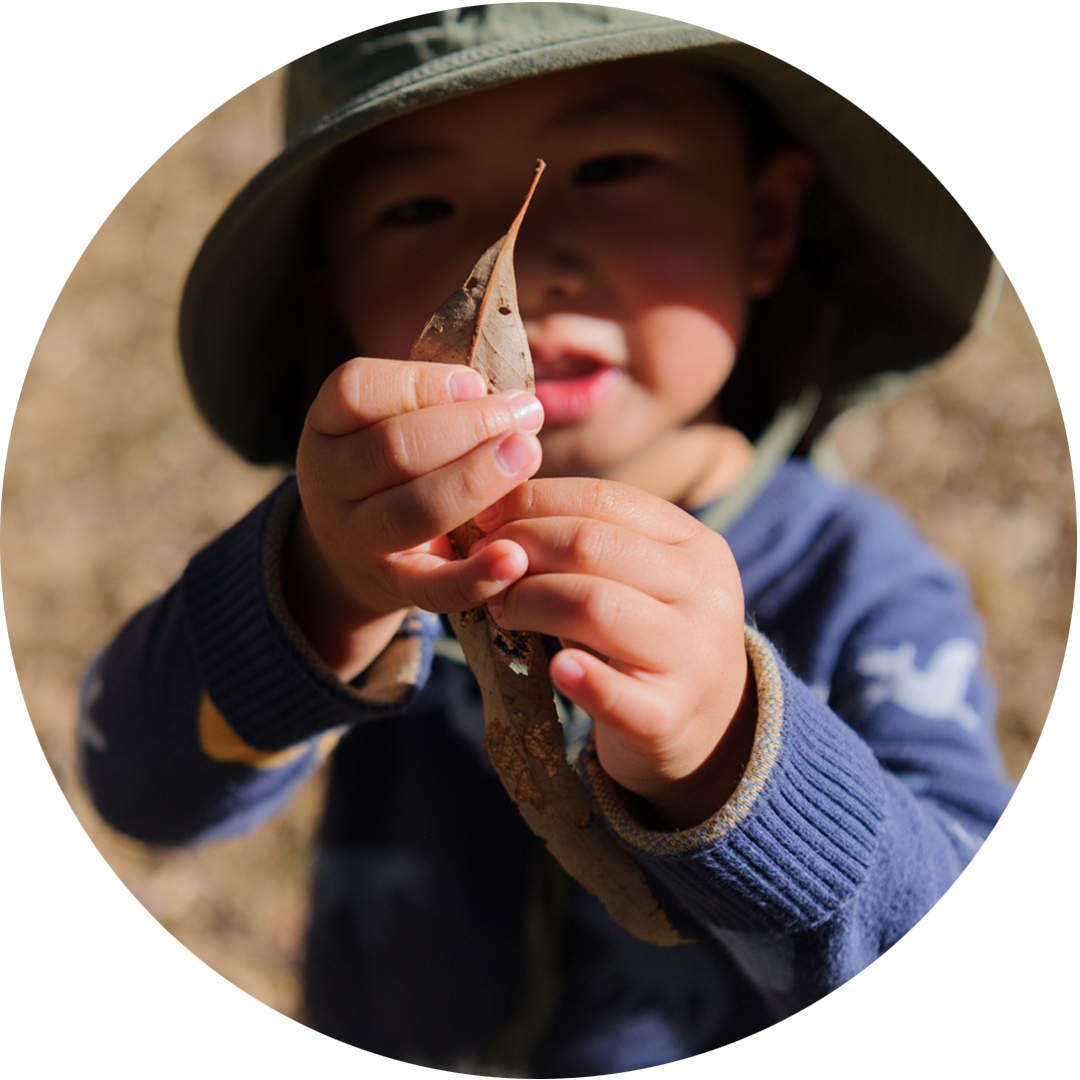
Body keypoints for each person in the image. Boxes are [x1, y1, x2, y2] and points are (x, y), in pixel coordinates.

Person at [77, 6, 1014, 1076]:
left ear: (766, 222)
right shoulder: (348, 567)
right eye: (419, 204)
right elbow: (136, 788)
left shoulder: (866, 584)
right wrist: (320, 593)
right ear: (328, 295)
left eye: (612, 166)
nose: (532, 259)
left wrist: (734, 751)